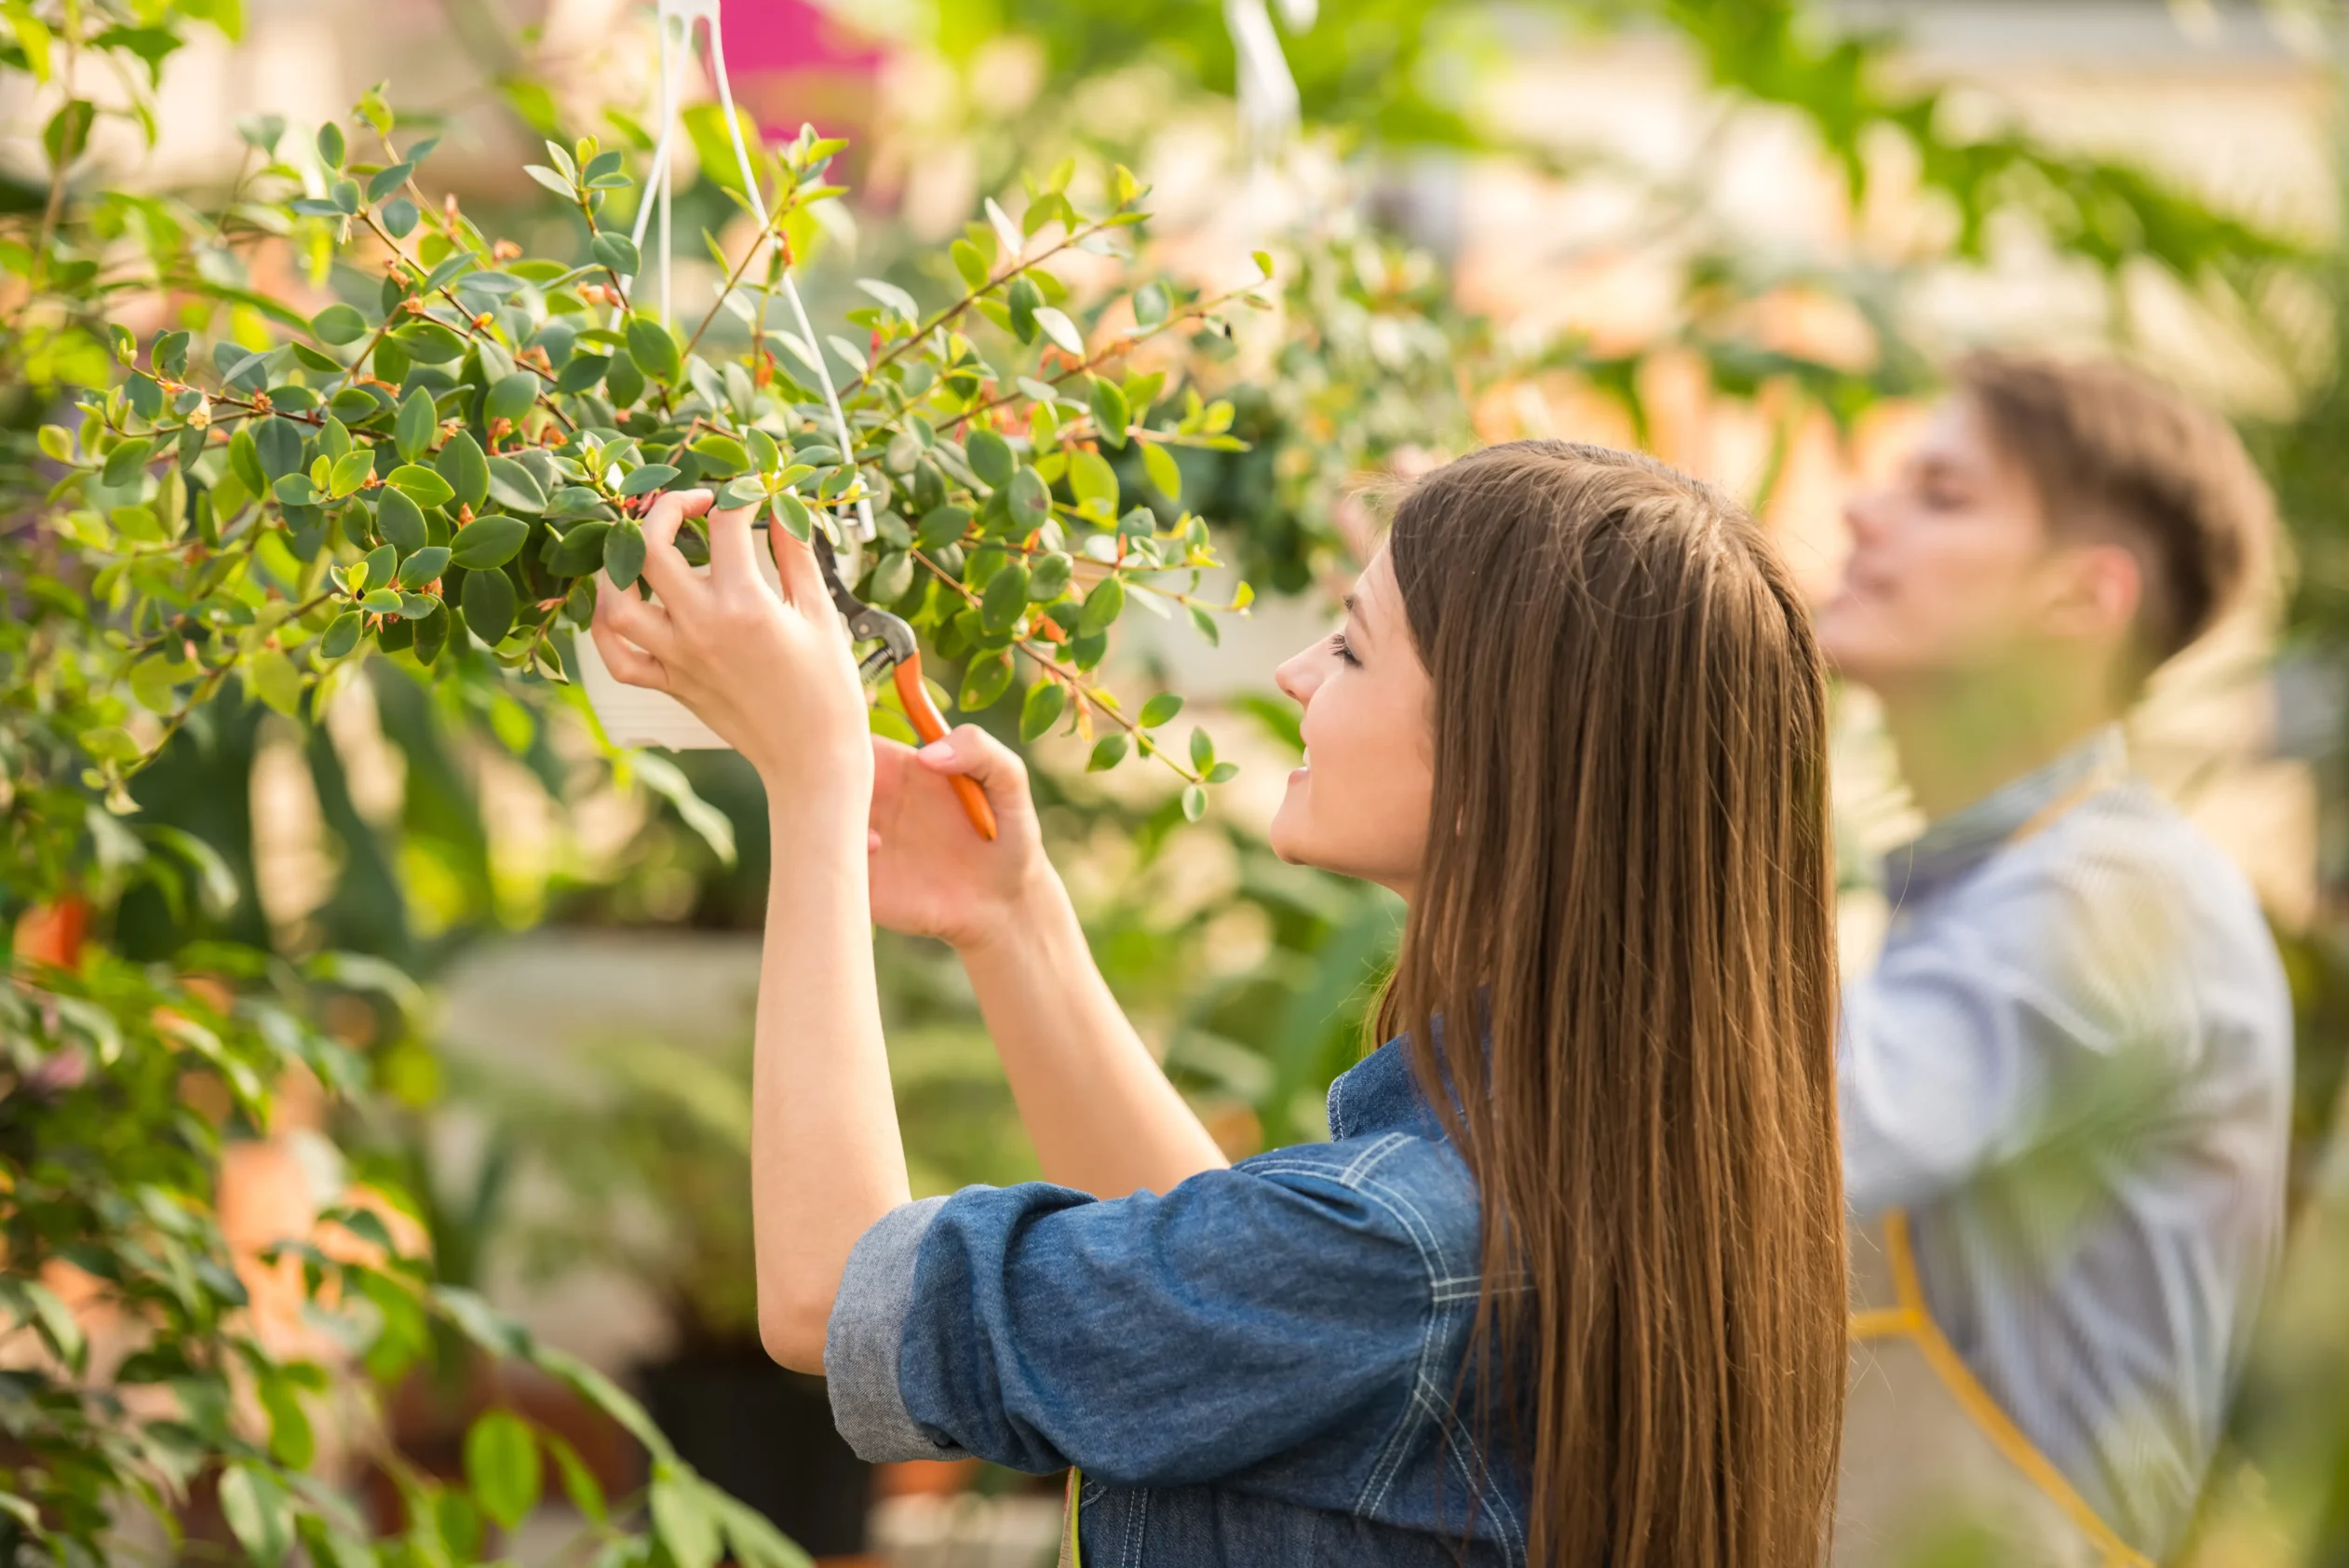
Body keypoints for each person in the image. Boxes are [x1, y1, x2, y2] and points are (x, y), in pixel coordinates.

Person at [590, 441, 1848, 1568]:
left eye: (1352, 646)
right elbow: (1229, 1281)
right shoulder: (1591, 1164)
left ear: (1496, 767)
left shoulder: (1398, 1245)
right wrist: (1011, 921)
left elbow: (833, 1297)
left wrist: (812, 781)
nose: (1299, 674)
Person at [1814, 353, 2294, 1567]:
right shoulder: (1994, 889)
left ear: (2083, 599)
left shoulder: (2122, 907)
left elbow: (1790, 1132)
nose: (1863, 513)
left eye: (1942, 495)